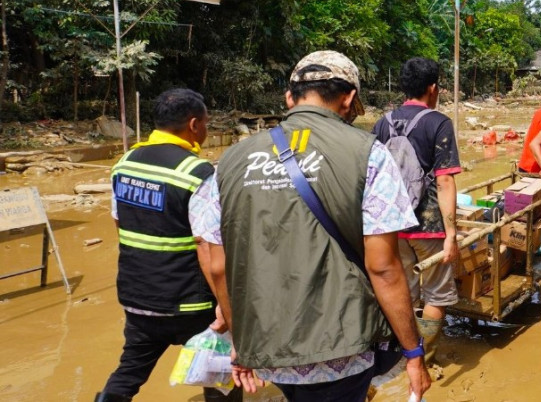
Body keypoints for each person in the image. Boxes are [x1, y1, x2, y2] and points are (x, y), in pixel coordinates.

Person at [191, 51, 431, 402]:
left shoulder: (229, 161)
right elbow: (383, 268)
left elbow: (216, 265)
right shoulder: (370, 153)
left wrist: (243, 340)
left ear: (289, 98)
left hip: (266, 344)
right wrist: (413, 352)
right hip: (343, 347)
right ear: (349, 98)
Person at [97, 88, 241, 402]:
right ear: (193, 125)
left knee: (128, 372)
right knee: (219, 374)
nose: (205, 130)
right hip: (190, 303)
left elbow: (119, 222)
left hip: (138, 297)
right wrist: (226, 306)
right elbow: (207, 246)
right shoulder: (198, 173)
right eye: (205, 123)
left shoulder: (125, 163)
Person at [371, 57, 461, 367]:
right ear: (433, 88)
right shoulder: (438, 122)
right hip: (428, 226)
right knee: (435, 294)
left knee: (404, 294)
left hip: (390, 227)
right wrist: (451, 234)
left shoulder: (382, 123)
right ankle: (426, 358)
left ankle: (403, 356)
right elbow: (445, 180)